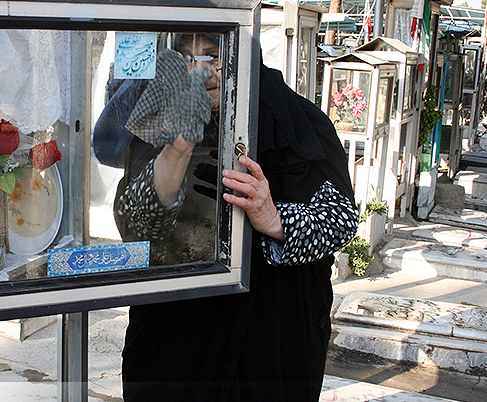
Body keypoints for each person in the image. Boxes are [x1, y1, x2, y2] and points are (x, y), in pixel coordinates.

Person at [95, 33, 359, 401]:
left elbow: (340, 220)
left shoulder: (298, 123)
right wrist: (177, 148)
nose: (202, 72)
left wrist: (273, 217)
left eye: (214, 56)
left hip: (271, 334)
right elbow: (136, 225)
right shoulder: (160, 121)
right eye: (187, 58)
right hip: (176, 331)